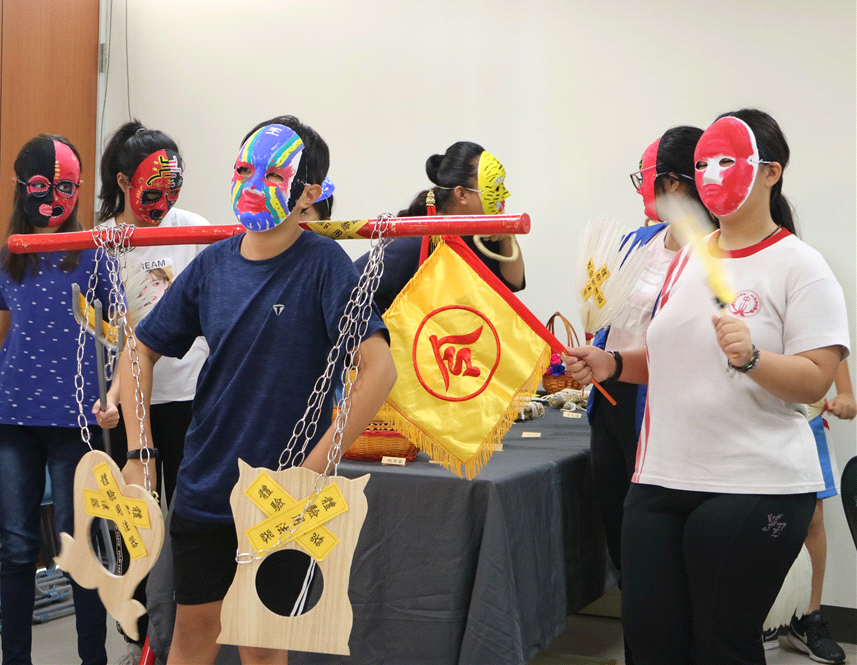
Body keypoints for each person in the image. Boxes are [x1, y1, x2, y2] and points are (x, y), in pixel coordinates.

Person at [563, 109, 850, 664]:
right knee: (650, 642)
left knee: (720, 645)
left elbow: (815, 378)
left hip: (755, 483)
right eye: (703, 164)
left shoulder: (801, 266)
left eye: (727, 160)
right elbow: (669, 357)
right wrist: (612, 362)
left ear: (771, 172)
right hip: (659, 478)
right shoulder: (685, 258)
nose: (712, 174)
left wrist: (753, 358)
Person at [117, 115, 396, 665]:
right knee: (192, 636)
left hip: (280, 500)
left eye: (273, 175)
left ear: (308, 193)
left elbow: (379, 371)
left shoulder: (325, 266)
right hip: (205, 487)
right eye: (245, 169)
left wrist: (310, 473)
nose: (252, 184)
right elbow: (139, 349)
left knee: (263, 647)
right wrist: (138, 451)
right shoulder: (212, 264)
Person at [0, 134, 113, 665]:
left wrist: (115, 396)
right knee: (15, 545)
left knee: (76, 542)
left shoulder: (93, 255)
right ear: (21, 188)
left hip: (74, 420)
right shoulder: (10, 256)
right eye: (40, 187)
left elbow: (123, 335)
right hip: (13, 415)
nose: (53, 199)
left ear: (78, 189)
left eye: (65, 188)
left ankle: (93, 658)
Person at [90, 120, 211, 664]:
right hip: (131, 403)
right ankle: (141, 636)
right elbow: (103, 335)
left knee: (189, 518)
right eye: (152, 191)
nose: (164, 203)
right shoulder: (103, 241)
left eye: (173, 189)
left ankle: (185, 629)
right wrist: (110, 397)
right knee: (135, 522)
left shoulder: (197, 230)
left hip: (190, 395)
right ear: (123, 181)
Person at [585, 125, 704, 665]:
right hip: (610, 403)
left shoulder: (711, 254)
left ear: (674, 182)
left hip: (661, 410)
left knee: (661, 553)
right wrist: (591, 354)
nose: (641, 188)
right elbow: (610, 316)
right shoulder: (638, 241)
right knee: (623, 541)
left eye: (646, 176)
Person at [355, 141, 525, 314]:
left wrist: (507, 237)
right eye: (494, 188)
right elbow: (350, 288)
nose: (504, 194)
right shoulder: (413, 243)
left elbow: (512, 284)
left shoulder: (478, 236)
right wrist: (378, 330)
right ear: (461, 194)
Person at [780, 359, 853, 663]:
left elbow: (832, 348)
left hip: (805, 419)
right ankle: (753, 619)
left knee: (811, 518)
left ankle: (808, 618)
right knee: (742, 516)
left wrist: (845, 394)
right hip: (745, 417)